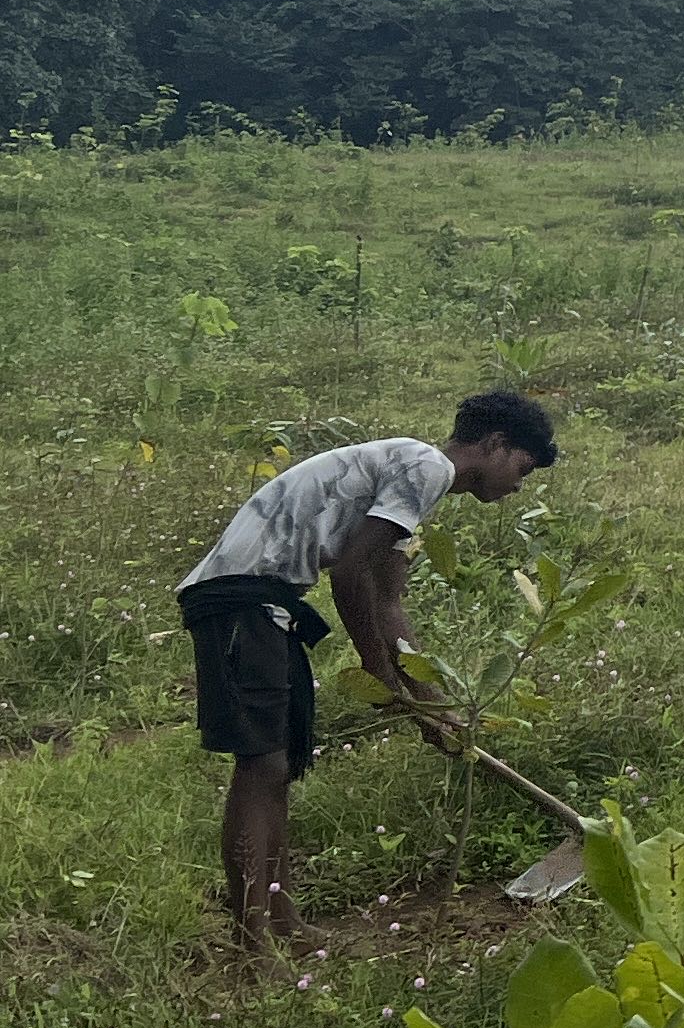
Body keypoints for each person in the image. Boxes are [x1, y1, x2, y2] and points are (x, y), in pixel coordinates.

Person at [181, 392, 560, 952]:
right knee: (262, 766)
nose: (518, 486)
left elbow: (386, 605)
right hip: (241, 599)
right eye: (522, 469)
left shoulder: (408, 484)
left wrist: (432, 705)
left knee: (277, 768)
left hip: (267, 601)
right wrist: (377, 671)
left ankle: (284, 924)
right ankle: (253, 942)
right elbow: (349, 575)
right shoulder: (427, 466)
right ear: (496, 445)